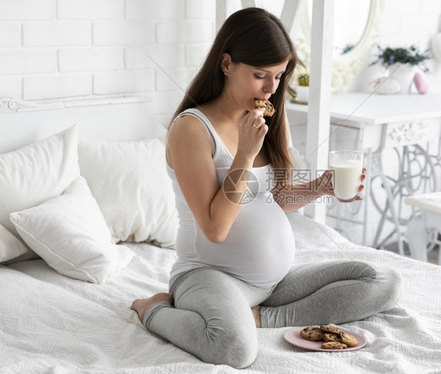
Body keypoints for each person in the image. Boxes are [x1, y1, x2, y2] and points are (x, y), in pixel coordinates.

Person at [131, 7, 401, 369]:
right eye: (260, 75)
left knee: (384, 280)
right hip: (209, 275)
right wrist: (243, 154)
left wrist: (318, 189)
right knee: (234, 349)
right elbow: (215, 228)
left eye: (278, 76)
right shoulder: (192, 129)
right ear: (226, 64)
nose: (271, 89)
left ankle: (259, 317)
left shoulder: (264, 119)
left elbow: (272, 200)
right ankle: (153, 309)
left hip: (274, 283)